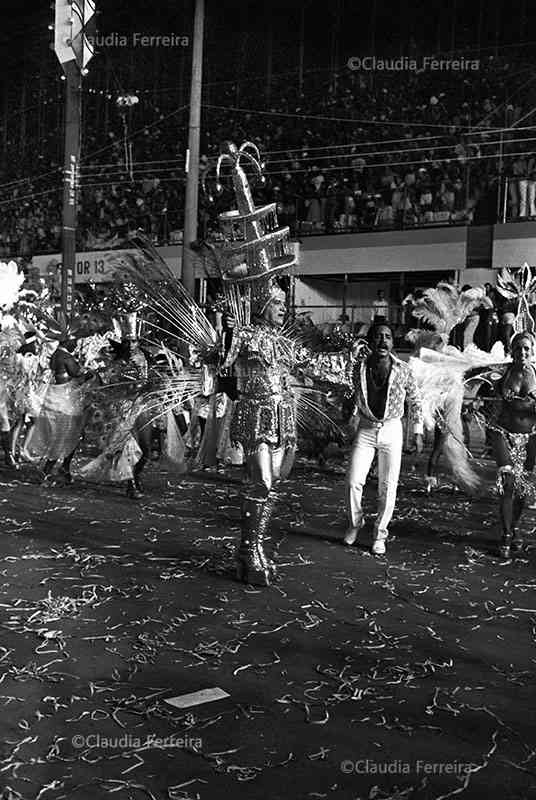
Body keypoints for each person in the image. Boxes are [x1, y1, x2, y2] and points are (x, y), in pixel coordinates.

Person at [344, 322, 424, 555]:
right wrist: (350, 416)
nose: (383, 341)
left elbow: (416, 400)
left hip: (392, 430)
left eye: (387, 337)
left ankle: (380, 534)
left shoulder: (403, 369)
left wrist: (417, 431)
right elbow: (349, 393)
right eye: (378, 336)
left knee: (388, 486)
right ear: (370, 341)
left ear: (392, 342)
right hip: (366, 428)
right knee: (353, 481)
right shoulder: (357, 367)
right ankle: (355, 524)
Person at [468, 331, 536, 558]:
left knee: (522, 489)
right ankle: (506, 535)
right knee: (508, 484)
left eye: (526, 348)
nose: (522, 352)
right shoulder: (501, 373)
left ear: (532, 350)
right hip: (502, 433)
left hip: (530, 437)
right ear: (512, 351)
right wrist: (482, 399)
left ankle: (513, 527)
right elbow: (476, 384)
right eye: (518, 348)